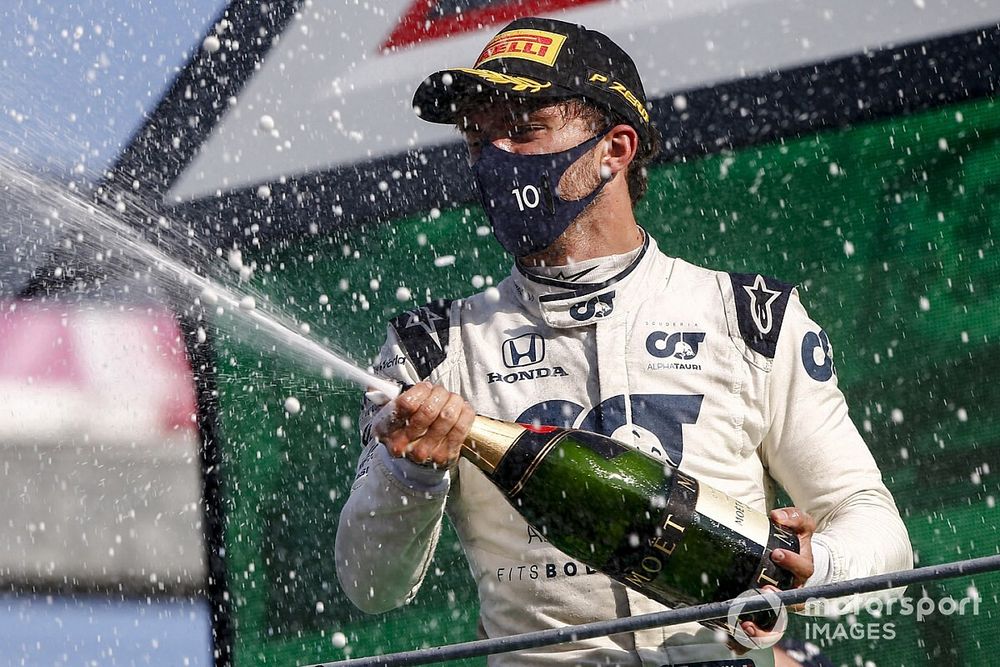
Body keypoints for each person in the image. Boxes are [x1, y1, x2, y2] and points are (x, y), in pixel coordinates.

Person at [335, 16, 912, 666]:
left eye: (524, 130)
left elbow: (877, 526)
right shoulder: (431, 346)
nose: (496, 157)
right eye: (478, 138)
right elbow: (371, 586)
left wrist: (818, 565)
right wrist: (408, 472)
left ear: (616, 148)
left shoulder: (750, 313)